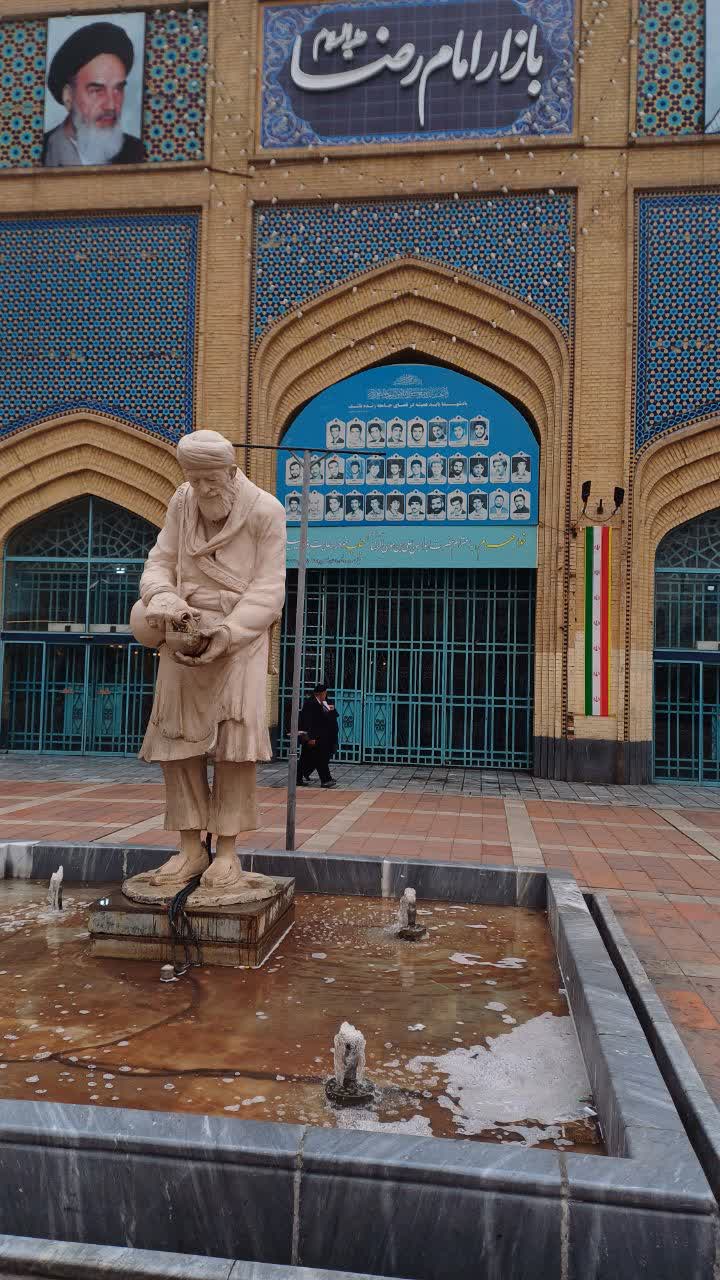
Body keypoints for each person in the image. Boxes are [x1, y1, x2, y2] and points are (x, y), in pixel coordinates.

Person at [126, 429, 286, 900]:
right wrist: (163, 597)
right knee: (176, 741)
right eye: (194, 480)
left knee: (234, 746)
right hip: (183, 628)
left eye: (210, 480)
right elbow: (159, 562)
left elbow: (270, 589)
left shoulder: (266, 511)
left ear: (232, 472)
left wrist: (230, 633)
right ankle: (190, 848)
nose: (202, 489)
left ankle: (228, 853)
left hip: (238, 637)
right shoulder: (182, 502)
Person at [43, 21, 146, 167]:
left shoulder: (139, 152)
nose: (111, 105)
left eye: (118, 89)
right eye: (97, 91)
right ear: (68, 96)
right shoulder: (38, 151)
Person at [297, 683, 339, 788]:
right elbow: (307, 723)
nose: (326, 695)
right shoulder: (310, 703)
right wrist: (310, 738)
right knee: (320, 759)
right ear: (320, 693)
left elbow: (329, 717)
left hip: (322, 736)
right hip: (312, 737)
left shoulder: (325, 702)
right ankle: (325, 780)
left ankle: (298, 778)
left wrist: (331, 710)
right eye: (325, 693)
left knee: (306, 759)